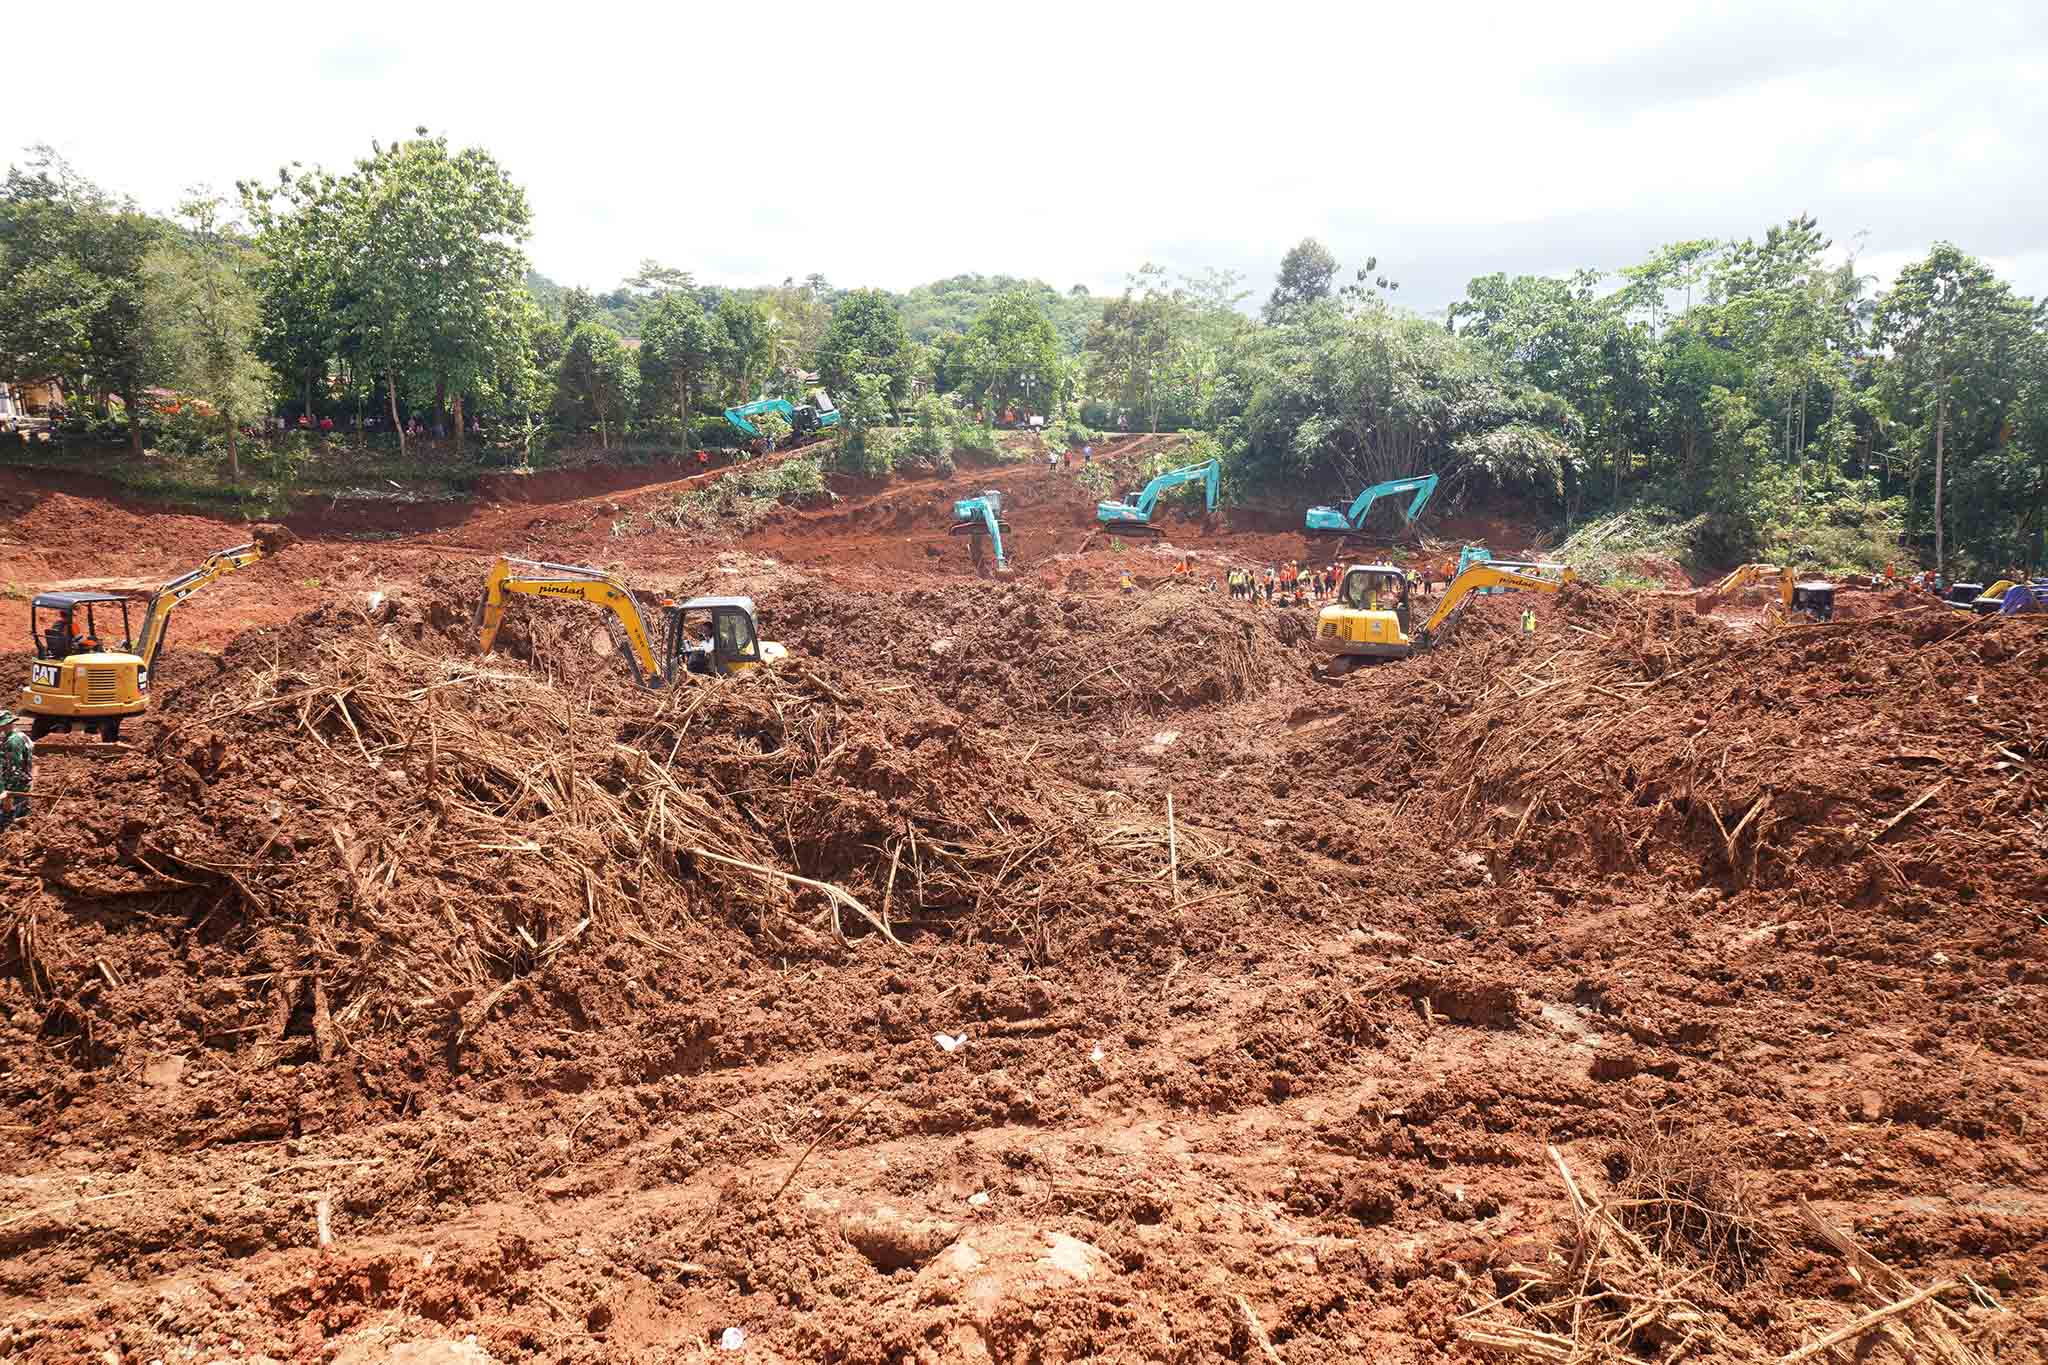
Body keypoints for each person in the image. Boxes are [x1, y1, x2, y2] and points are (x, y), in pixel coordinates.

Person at [0, 711, 30, 832]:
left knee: (9, 811)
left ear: (6, 724)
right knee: (21, 806)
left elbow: (14, 767)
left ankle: (11, 827)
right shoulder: (21, 735)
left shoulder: (13, 741)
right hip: (23, 779)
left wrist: (6, 790)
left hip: (16, 783)